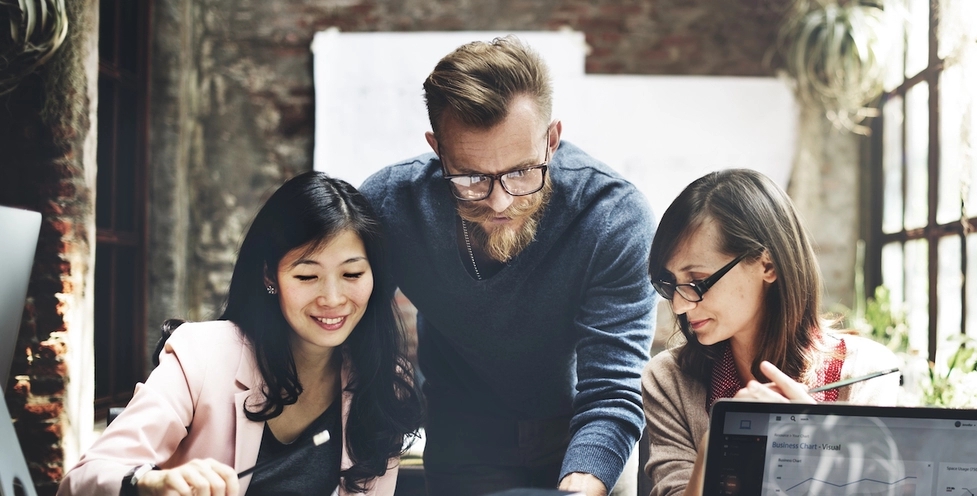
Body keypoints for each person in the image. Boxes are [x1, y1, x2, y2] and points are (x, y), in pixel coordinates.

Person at [358, 36, 656, 496]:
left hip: (584, 431)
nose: (500, 201)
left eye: (521, 172)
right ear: (437, 149)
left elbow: (615, 390)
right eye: (472, 177)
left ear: (552, 140)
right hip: (463, 436)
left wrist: (584, 484)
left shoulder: (611, 217)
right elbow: (348, 337)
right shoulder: (392, 205)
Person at [59, 172, 422, 496]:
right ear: (269, 277)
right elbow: (82, 480)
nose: (332, 298)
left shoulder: (383, 382)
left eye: (353, 275)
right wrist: (148, 484)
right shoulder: (201, 356)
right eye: (307, 276)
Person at [641, 168, 900, 496]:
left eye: (696, 281)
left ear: (768, 265)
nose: (679, 306)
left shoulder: (865, 373)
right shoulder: (669, 380)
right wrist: (718, 444)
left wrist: (817, 445)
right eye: (671, 284)